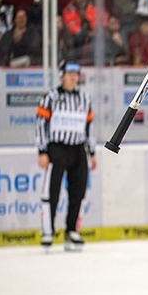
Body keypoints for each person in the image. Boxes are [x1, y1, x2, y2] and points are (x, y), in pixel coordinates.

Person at [35, 60, 96, 250]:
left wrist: (92, 152)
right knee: (51, 192)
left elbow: (89, 126)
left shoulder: (85, 98)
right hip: (57, 148)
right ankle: (47, 231)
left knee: (78, 193)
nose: (73, 78)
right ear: (61, 75)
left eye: (76, 74)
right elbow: (40, 124)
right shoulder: (50, 97)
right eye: (69, 74)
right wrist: (42, 150)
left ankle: (72, 230)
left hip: (78, 149)